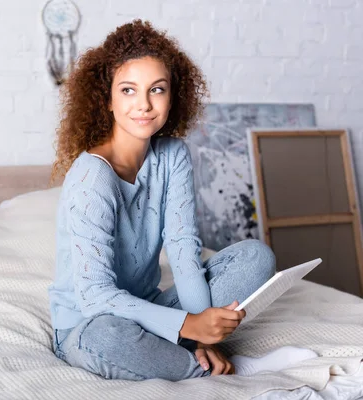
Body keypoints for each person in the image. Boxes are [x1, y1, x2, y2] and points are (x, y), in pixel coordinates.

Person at [47, 20, 317, 381]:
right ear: (107, 99)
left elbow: (183, 249)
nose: (143, 104)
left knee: (256, 257)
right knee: (107, 338)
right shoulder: (91, 177)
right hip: (88, 325)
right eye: (128, 90)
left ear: (172, 96)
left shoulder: (172, 155)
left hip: (149, 308)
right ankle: (217, 370)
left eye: (156, 90)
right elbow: (95, 297)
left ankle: (192, 350)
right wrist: (188, 325)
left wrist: (200, 328)